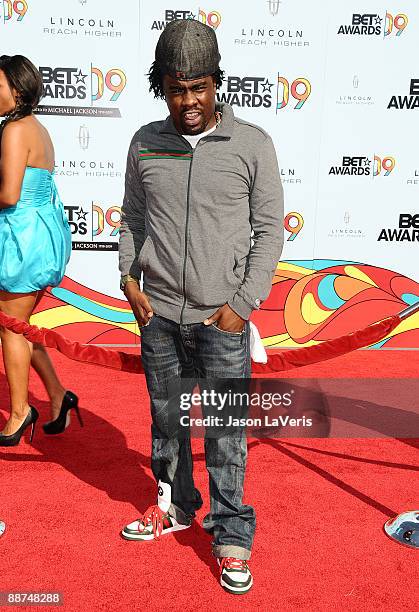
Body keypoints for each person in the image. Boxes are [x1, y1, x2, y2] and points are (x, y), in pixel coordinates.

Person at [119, 20, 284, 594]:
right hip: (158, 313)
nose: (188, 101)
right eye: (175, 87)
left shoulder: (251, 144)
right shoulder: (145, 141)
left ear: (218, 83)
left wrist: (243, 304)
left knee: (225, 433)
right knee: (167, 425)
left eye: (198, 86)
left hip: (222, 319)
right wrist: (128, 279)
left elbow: (269, 233)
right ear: (161, 87)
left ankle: (232, 533)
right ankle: (176, 506)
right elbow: (134, 219)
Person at [0, 55, 82, 447]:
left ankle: (19, 413)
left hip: (20, 239)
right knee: (21, 327)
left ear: (17, 89)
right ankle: (57, 396)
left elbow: (9, 194)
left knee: (9, 327)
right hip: (35, 237)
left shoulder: (14, 130)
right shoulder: (36, 128)